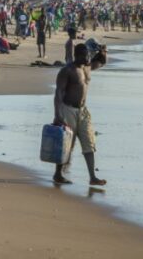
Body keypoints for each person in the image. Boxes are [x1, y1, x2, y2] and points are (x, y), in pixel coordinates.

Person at [53, 42, 108, 186]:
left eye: (89, 54)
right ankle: (58, 174)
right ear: (77, 56)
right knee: (67, 145)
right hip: (68, 109)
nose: (88, 57)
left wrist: (103, 51)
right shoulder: (67, 71)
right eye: (85, 55)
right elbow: (58, 94)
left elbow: (101, 62)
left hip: (83, 110)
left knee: (89, 142)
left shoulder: (88, 67)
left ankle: (92, 177)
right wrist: (58, 116)